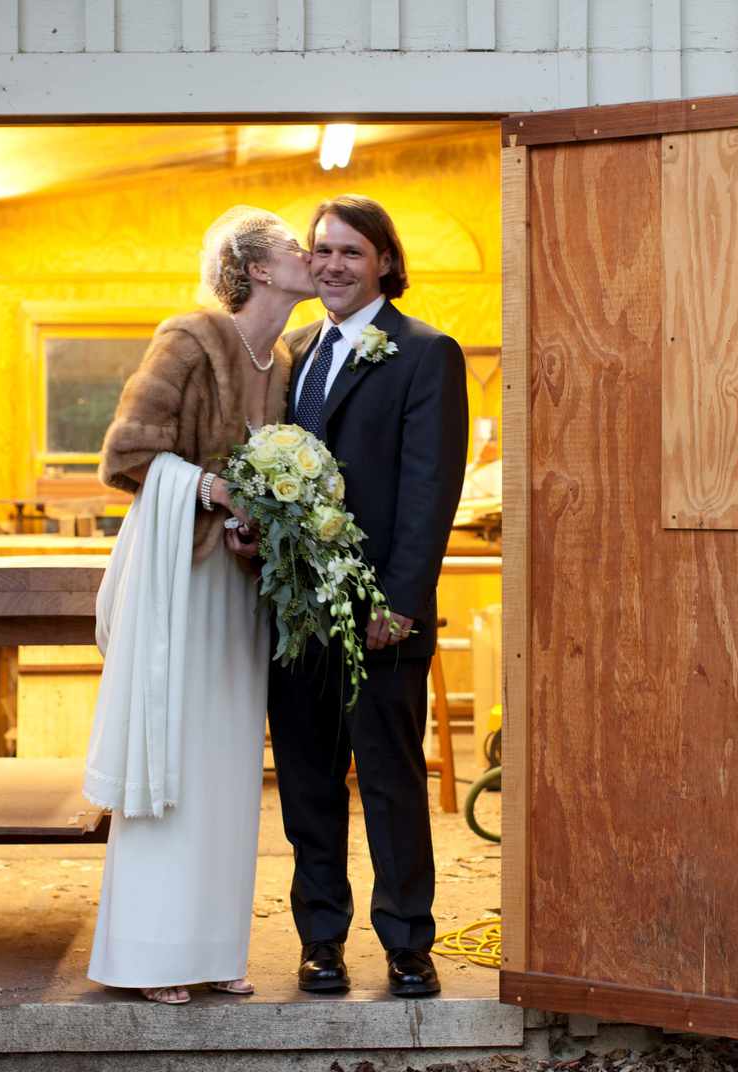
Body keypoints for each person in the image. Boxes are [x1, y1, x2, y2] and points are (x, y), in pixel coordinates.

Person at [230, 194, 469, 998]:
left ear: (386, 265)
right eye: (321, 250)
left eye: (351, 253)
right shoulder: (288, 350)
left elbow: (430, 489)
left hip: (379, 616)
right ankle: (321, 940)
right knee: (306, 782)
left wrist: (397, 603)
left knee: (394, 784)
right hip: (296, 614)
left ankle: (407, 943)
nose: (332, 264)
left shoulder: (426, 353)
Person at [83, 206, 313, 1005]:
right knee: (172, 757)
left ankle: (214, 947)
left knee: (227, 764)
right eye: (294, 247)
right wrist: (211, 488)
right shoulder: (188, 337)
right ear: (256, 268)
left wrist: (262, 521)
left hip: (237, 587)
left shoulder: (284, 358)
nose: (308, 255)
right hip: (177, 578)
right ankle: (148, 957)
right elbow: (126, 453)